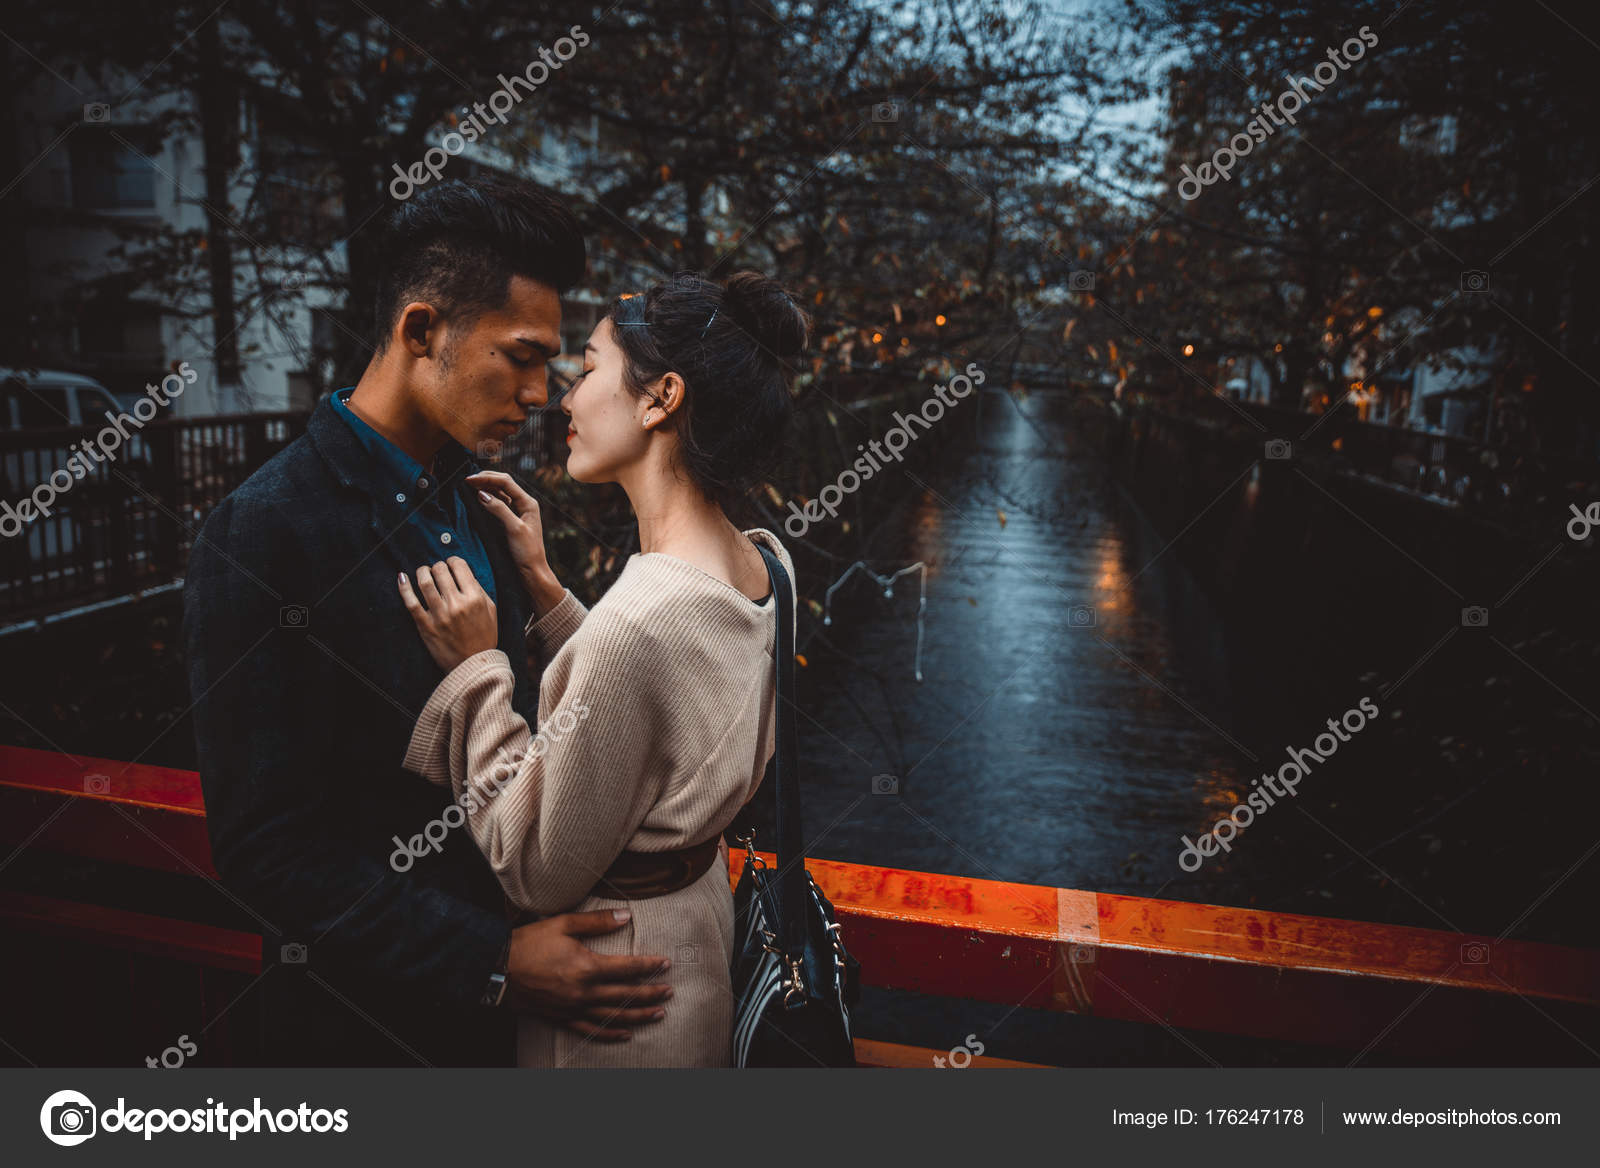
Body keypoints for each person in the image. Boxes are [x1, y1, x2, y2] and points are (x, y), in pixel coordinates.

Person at [182, 175, 672, 1066]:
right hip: (357, 1039)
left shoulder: (483, 503)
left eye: (552, 366)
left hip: (515, 1036)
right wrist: (491, 960)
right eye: (521, 356)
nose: (539, 395)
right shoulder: (265, 530)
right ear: (421, 331)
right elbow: (265, 847)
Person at [395, 269, 808, 1066]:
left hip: (616, 985)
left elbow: (534, 865)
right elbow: (669, 697)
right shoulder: (766, 563)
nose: (562, 400)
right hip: (696, 933)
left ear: (660, 400)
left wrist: (479, 671)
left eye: (586, 370)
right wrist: (550, 593)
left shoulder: (639, 621)